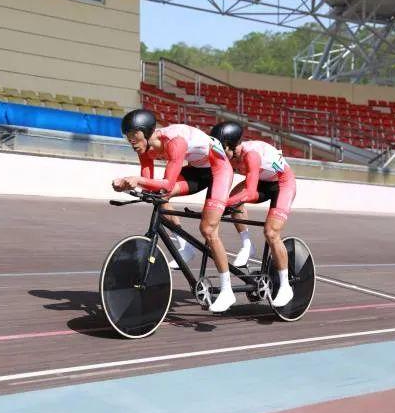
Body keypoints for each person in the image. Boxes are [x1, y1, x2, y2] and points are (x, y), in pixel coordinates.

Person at [112, 109, 237, 312]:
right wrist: (129, 184)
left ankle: (227, 290)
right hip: (198, 169)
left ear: (146, 131)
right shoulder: (144, 149)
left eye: (134, 134)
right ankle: (185, 247)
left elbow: (168, 184)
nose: (131, 141)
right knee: (158, 195)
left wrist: (136, 180)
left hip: (219, 169)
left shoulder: (175, 142)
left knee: (208, 229)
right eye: (127, 136)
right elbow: (150, 185)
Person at [210, 121, 297, 307]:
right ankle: (247, 244)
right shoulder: (230, 156)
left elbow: (249, 193)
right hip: (262, 181)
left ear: (230, 145)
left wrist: (222, 204)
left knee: (271, 233)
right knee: (233, 197)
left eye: (221, 147)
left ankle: (285, 286)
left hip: (282, 184)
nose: (218, 151)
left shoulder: (251, 155)